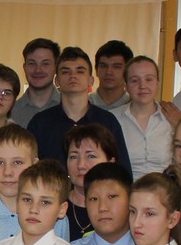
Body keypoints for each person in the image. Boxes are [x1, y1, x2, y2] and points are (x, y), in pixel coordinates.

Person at [27, 47, 128, 176]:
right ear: (57, 81)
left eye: (80, 71)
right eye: (66, 72)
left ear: (91, 80)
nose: (73, 76)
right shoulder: (40, 123)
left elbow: (122, 173)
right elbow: (28, 171)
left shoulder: (108, 121)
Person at [114, 56, 173, 178]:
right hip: (124, 188)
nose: (142, 86)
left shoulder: (171, 118)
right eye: (135, 80)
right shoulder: (112, 119)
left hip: (165, 188)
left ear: (158, 83)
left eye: (149, 79)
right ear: (126, 85)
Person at [64, 124, 122, 241]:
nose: (81, 165)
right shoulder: (54, 205)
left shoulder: (123, 208)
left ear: (110, 162)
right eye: (73, 157)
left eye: (90, 156)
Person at [9, 38, 61, 127]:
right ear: (24, 67)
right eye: (32, 63)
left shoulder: (69, 109)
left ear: (55, 67)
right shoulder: (10, 112)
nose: (38, 70)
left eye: (45, 63)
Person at [93, 39, 132, 113]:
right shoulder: (83, 105)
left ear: (128, 72)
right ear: (96, 70)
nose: (108, 72)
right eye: (103, 66)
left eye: (117, 67)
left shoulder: (135, 107)